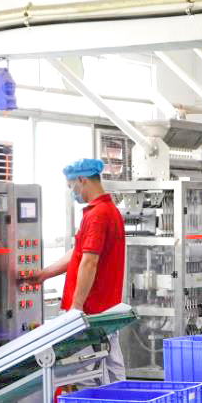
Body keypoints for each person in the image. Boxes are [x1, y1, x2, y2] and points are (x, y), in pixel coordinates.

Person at [23, 158, 126, 374]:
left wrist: (76, 307)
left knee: (84, 373)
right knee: (111, 368)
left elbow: (89, 262)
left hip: (89, 310)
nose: (72, 192)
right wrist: (45, 274)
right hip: (104, 308)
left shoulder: (97, 215)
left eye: (71, 186)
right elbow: (79, 253)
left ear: (81, 180)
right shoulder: (108, 210)